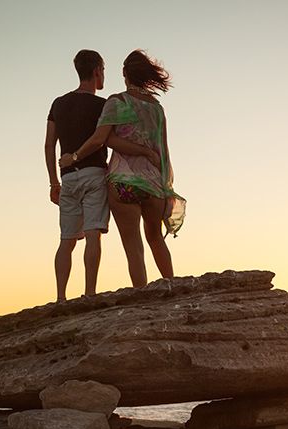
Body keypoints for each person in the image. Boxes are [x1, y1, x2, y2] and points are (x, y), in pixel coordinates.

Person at [59, 50, 185, 288]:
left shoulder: (118, 102)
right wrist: (166, 185)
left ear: (125, 74)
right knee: (156, 238)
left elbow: (101, 139)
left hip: (123, 182)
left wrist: (73, 157)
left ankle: (142, 298)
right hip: (154, 184)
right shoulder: (157, 108)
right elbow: (163, 149)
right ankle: (173, 287)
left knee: (133, 246)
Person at [45, 49, 156, 301]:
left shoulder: (58, 103)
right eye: (103, 70)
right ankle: (89, 294)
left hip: (67, 177)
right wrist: (144, 151)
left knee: (66, 239)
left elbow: (49, 145)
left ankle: (61, 297)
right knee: (93, 234)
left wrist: (53, 180)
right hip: (94, 173)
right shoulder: (102, 105)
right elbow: (106, 139)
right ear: (97, 71)